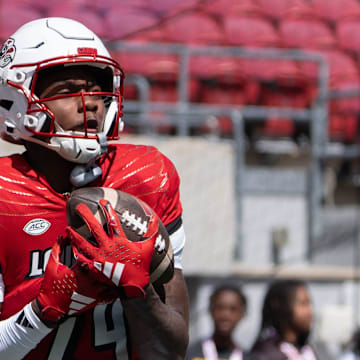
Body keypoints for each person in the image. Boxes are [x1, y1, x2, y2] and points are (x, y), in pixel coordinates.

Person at [0, 17, 189, 359]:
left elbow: (169, 351)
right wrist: (46, 307)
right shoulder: (4, 195)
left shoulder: (147, 176)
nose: (89, 102)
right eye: (67, 89)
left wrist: (138, 288)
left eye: (96, 87)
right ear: (16, 97)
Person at [250, 279, 317, 360]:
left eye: (309, 304)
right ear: (279, 305)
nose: (309, 311)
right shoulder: (265, 354)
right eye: (303, 303)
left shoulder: (306, 351)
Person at [186, 284, 249, 360]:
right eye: (220, 307)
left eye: (233, 309)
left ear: (242, 314)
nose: (225, 315)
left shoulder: (248, 357)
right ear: (210, 310)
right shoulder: (190, 354)